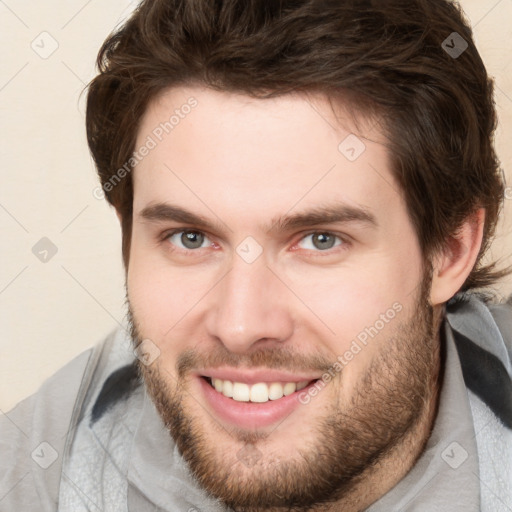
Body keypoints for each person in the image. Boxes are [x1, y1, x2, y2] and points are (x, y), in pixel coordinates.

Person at [1, 0, 511, 510]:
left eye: (319, 240)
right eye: (190, 238)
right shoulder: (29, 478)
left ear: (449, 250)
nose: (240, 327)